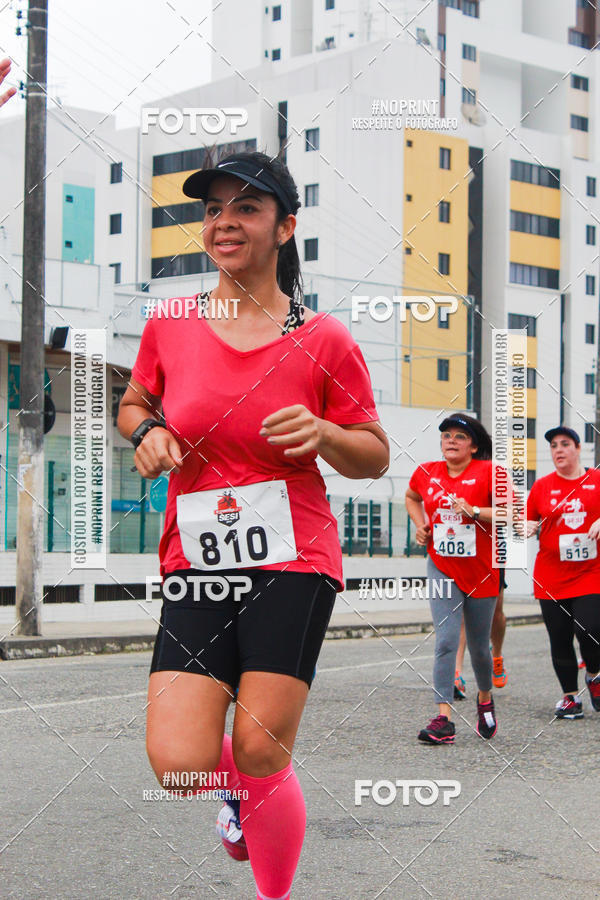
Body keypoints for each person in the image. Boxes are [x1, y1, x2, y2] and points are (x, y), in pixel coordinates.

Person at [117, 150, 389, 900]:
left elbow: (373, 453)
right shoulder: (170, 325)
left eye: (246, 208)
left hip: (293, 559)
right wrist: (145, 433)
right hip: (199, 558)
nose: (224, 222)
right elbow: (134, 402)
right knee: (178, 766)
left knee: (261, 748)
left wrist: (326, 435)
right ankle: (233, 795)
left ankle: (273, 888)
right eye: (213, 209)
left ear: (285, 228)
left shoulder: (323, 337)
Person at [405, 413, 500, 744]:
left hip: (482, 572)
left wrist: (474, 511)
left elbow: (511, 511)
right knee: (445, 640)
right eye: (446, 435)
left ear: (473, 446)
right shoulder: (427, 473)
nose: (450, 440)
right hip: (442, 566)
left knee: (479, 649)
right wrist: (420, 524)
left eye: (459, 436)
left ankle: (485, 698)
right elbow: (411, 497)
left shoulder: (490, 473)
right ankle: (443, 718)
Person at [524, 426, 600, 719]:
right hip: (551, 577)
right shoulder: (542, 486)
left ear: (578, 449)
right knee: (559, 637)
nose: (558, 449)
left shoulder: (595, 480)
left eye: (565, 444)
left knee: (591, 630)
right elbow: (527, 522)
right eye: (554, 445)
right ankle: (569, 698)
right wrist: (527, 527)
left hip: (590, 572)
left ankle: (593, 674)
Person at [454, 570, 508, 700]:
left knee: (496, 612)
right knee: (462, 614)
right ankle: (456, 674)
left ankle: (496, 657)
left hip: (491, 556)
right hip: (463, 558)